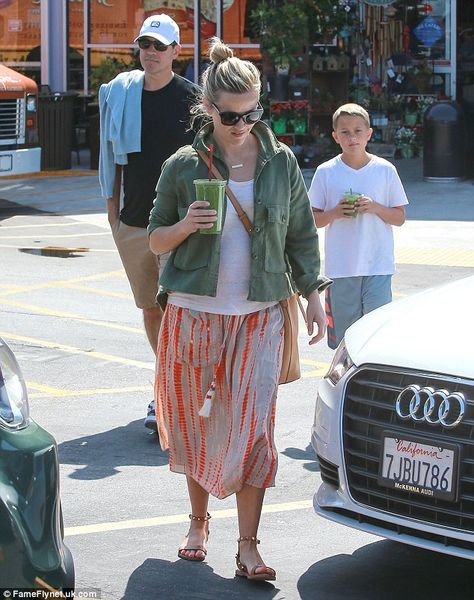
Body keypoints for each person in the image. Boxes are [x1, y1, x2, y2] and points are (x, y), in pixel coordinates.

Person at [148, 37, 330, 582]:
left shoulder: (281, 162)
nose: (240, 124)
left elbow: (301, 236)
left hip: (257, 315)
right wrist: (185, 226)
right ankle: (199, 522)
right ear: (207, 108)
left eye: (251, 113)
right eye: (229, 115)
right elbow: (155, 239)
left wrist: (314, 297)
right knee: (196, 425)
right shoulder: (183, 165)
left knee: (254, 430)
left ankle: (248, 545)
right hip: (193, 311)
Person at [98, 14, 199, 430]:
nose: (150, 53)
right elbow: (111, 158)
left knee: (179, 309)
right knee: (151, 311)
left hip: (179, 225)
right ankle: (168, 384)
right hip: (135, 221)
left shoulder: (193, 99)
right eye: (145, 45)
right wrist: (112, 215)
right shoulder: (122, 95)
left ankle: (176, 392)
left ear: (177, 50)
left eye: (159, 46)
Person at [308, 102, 408, 349]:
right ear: (335, 137)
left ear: (369, 134)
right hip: (342, 268)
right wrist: (334, 212)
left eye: (358, 131)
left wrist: (375, 207)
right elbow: (311, 220)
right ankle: (344, 383)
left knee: (377, 334)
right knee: (346, 339)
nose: (352, 137)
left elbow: (399, 217)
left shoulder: (385, 170)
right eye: (345, 132)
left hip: (378, 265)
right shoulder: (326, 172)